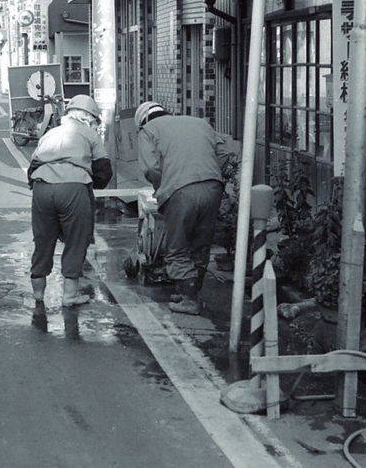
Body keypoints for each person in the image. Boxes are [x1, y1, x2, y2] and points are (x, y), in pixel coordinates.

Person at [135, 101, 233, 315]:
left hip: (180, 191)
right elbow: (225, 151)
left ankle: (189, 300)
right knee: (201, 244)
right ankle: (190, 292)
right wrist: (212, 172)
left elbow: (151, 167)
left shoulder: (148, 130)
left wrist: (163, 186)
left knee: (177, 247)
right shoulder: (200, 123)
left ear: (143, 120)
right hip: (212, 186)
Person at [26, 94, 112, 320]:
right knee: (76, 240)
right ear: (90, 118)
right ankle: (70, 296)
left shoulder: (50, 133)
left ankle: (38, 295)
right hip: (73, 187)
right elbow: (104, 171)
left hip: (42, 187)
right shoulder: (89, 134)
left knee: (43, 239)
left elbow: (33, 165)